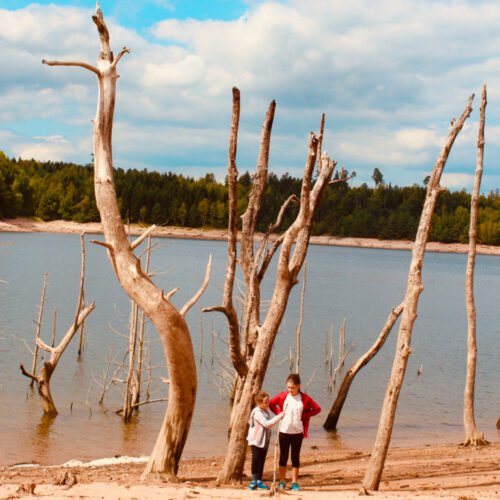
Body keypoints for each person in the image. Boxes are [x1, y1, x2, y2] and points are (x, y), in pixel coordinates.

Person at [269, 373, 321, 492]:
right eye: (288, 387)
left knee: (295, 457)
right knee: (283, 457)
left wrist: (304, 415)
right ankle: (282, 481)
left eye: (292, 387)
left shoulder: (305, 398)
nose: (290, 390)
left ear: (298, 386)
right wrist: (279, 413)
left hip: (298, 432)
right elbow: (271, 404)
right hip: (284, 431)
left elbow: (317, 409)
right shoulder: (283, 396)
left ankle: (294, 482)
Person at [246, 390, 284, 490]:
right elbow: (267, 424)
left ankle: (259, 480)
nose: (268, 403)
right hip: (256, 440)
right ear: (259, 403)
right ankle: (253, 480)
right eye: (265, 401)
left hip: (264, 440)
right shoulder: (257, 413)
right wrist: (280, 416)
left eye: (268, 400)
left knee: (262, 460)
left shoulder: (265, 411)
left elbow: (268, 425)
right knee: (256, 459)